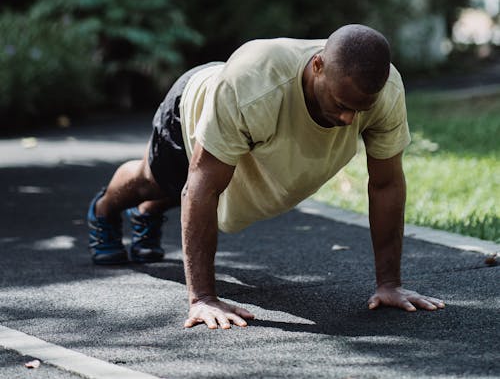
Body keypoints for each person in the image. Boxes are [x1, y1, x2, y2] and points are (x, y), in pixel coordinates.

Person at [87, 24, 445, 329]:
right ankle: (104, 211)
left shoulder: (385, 91)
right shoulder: (256, 84)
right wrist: (203, 298)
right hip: (195, 109)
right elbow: (200, 186)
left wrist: (389, 284)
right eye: (341, 104)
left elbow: (386, 184)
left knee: (194, 186)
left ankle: (148, 213)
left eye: (359, 109)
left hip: (249, 122)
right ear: (318, 65)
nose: (350, 120)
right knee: (157, 180)